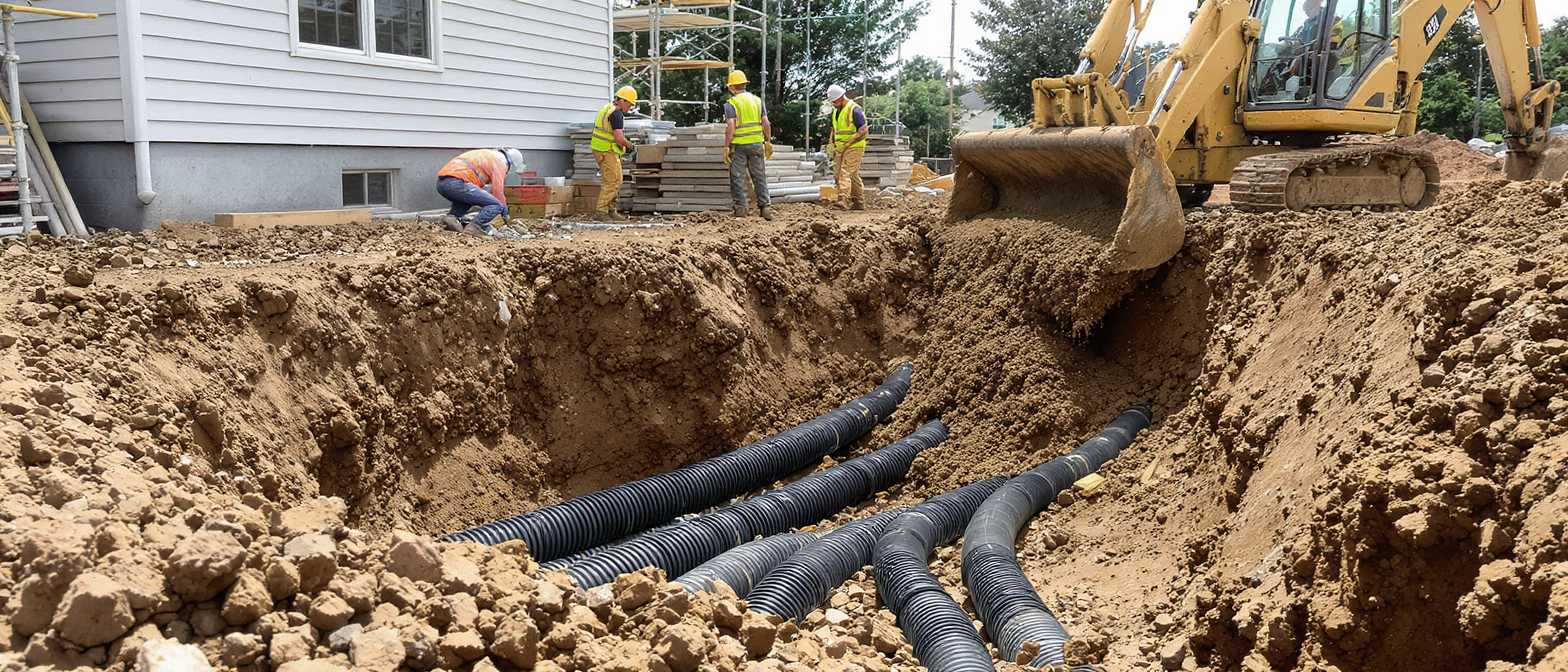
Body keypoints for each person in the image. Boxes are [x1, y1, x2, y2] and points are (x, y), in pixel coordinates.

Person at [437, 147, 525, 238]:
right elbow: (497, 191)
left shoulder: (490, 155)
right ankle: (475, 227)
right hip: (458, 183)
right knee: (496, 205)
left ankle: (452, 218)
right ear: (511, 164)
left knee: (467, 201)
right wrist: (505, 213)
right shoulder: (500, 162)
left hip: (442, 183)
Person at [722, 71, 775, 221]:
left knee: (737, 177)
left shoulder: (731, 104)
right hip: (756, 144)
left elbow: (731, 126)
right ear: (745, 84)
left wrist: (726, 146)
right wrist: (767, 141)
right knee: (759, 176)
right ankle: (765, 208)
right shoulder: (757, 101)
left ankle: (740, 209)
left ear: (731, 87)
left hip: (739, 145)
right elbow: (766, 122)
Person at [591, 87, 638, 222]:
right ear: (623, 101)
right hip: (607, 150)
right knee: (612, 181)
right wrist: (630, 146)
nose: (629, 108)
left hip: (602, 149)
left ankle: (611, 211)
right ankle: (601, 211)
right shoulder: (616, 114)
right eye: (630, 104)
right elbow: (619, 139)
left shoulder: (607, 108)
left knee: (615, 180)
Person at [826, 84, 868, 211]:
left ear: (841, 97)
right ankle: (858, 202)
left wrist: (848, 142)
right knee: (845, 174)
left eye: (835, 101)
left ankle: (842, 201)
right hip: (841, 147)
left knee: (845, 172)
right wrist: (831, 144)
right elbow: (834, 130)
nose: (834, 104)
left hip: (855, 146)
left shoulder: (854, 109)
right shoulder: (836, 112)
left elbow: (863, 131)